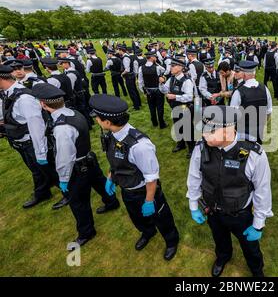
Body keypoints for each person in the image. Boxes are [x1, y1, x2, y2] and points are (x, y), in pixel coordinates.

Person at [89, 94, 179, 259]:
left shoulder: (139, 146)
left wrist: (149, 200)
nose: (96, 120)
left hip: (144, 191)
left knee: (161, 218)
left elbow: (151, 177)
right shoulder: (111, 135)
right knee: (136, 217)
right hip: (127, 189)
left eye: (98, 118)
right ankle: (148, 232)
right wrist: (110, 177)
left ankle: (171, 241)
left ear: (107, 122)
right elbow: (115, 160)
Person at [187, 105, 273, 277]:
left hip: (240, 215)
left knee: (250, 247)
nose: (204, 135)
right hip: (213, 211)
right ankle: (223, 257)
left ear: (228, 129)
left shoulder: (254, 154)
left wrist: (258, 223)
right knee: (220, 240)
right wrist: (193, 204)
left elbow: (262, 191)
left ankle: (257, 270)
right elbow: (194, 176)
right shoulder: (201, 147)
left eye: (210, 131)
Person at [32, 84, 120, 247]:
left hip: (77, 167)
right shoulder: (73, 112)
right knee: (100, 183)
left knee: (78, 202)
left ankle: (87, 232)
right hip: (89, 158)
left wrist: (63, 178)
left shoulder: (62, 127)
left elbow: (65, 157)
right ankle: (111, 202)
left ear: (44, 104)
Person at [0, 64, 60, 209]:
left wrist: (41, 152)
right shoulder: (7, 93)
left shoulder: (24, 98)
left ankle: (69, 194)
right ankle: (42, 192)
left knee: (50, 171)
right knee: (36, 170)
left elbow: (36, 126)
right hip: (20, 141)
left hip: (31, 143)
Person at [159, 54, 195, 158]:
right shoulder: (171, 79)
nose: (171, 68)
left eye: (173, 66)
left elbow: (189, 97)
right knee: (177, 127)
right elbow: (165, 90)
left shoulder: (187, 81)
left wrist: (175, 96)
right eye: (171, 66)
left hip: (185, 108)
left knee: (188, 129)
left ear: (180, 68)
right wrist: (161, 84)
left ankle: (191, 148)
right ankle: (181, 144)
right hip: (175, 108)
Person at [230, 60, 272, 144]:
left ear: (244, 74)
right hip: (258, 130)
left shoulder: (238, 92)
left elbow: (232, 115)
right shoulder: (265, 89)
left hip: (242, 133)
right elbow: (268, 112)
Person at [137, 49, 168, 129]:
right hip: (158, 90)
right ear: (151, 58)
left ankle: (154, 122)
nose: (156, 58)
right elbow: (164, 70)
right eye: (155, 57)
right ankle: (162, 123)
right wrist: (156, 63)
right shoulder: (157, 67)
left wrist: (143, 91)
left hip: (148, 90)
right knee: (160, 107)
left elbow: (140, 82)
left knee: (151, 107)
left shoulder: (141, 68)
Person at [118, 45, 141, 111]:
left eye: (118, 50)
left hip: (129, 76)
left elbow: (127, 69)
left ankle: (136, 106)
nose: (118, 52)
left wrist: (122, 74)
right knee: (134, 90)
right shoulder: (127, 56)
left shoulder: (125, 58)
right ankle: (138, 103)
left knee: (132, 91)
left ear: (121, 51)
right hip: (131, 76)